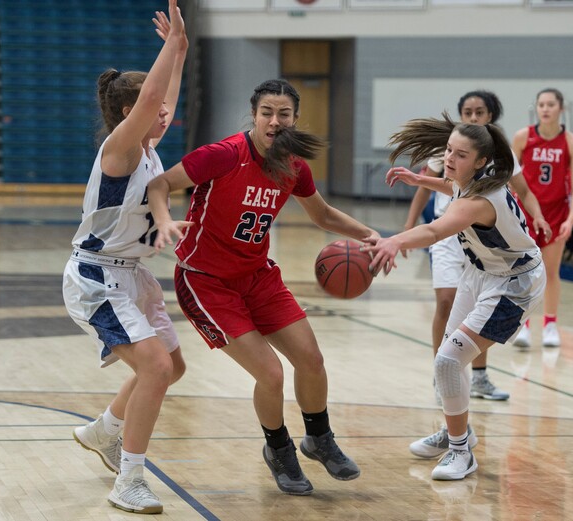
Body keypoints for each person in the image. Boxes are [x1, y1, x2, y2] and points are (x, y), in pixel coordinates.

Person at [147, 79, 379, 495]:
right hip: (206, 281)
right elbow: (159, 184)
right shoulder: (223, 155)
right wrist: (164, 221)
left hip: (258, 276)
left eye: (284, 114)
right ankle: (279, 449)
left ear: (295, 119)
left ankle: (319, 439)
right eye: (267, 112)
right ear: (253, 115)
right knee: (270, 374)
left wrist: (372, 235)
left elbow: (322, 214)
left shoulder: (294, 165)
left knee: (311, 358)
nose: (275, 121)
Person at [363, 114, 546, 481]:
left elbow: (434, 230)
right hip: (480, 273)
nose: (449, 159)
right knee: (451, 358)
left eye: (460, 155)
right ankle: (456, 431)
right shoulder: (473, 180)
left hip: (513, 285)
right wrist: (421, 180)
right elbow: (455, 189)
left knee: (447, 361)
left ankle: (462, 451)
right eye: (448, 150)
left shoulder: (482, 198)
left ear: (481, 161)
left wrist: (394, 240)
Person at [62, 2, 189, 514]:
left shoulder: (150, 146)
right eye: (150, 109)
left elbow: (164, 95)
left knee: (171, 367)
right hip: (97, 278)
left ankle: (104, 431)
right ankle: (130, 480)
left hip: (131, 276)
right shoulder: (121, 149)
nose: (164, 114)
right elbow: (155, 97)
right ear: (125, 113)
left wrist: (179, 49)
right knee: (156, 367)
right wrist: (168, 49)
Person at [402, 90, 550, 405]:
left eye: (479, 111)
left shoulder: (500, 156)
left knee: (475, 313)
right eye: (467, 111)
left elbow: (523, 190)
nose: (472, 117)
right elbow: (437, 186)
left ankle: (474, 375)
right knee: (446, 302)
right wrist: (408, 222)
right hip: (450, 235)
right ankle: (444, 374)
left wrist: (538, 216)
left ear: (490, 116)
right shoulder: (451, 149)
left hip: (486, 241)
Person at [511, 88, 573, 348]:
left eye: (550, 104)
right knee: (524, 273)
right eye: (541, 104)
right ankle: (524, 326)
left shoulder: (571, 143)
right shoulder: (522, 137)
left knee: (551, 272)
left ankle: (551, 324)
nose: (545, 109)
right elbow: (508, 176)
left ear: (560, 108)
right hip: (526, 214)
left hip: (556, 214)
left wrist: (570, 220)